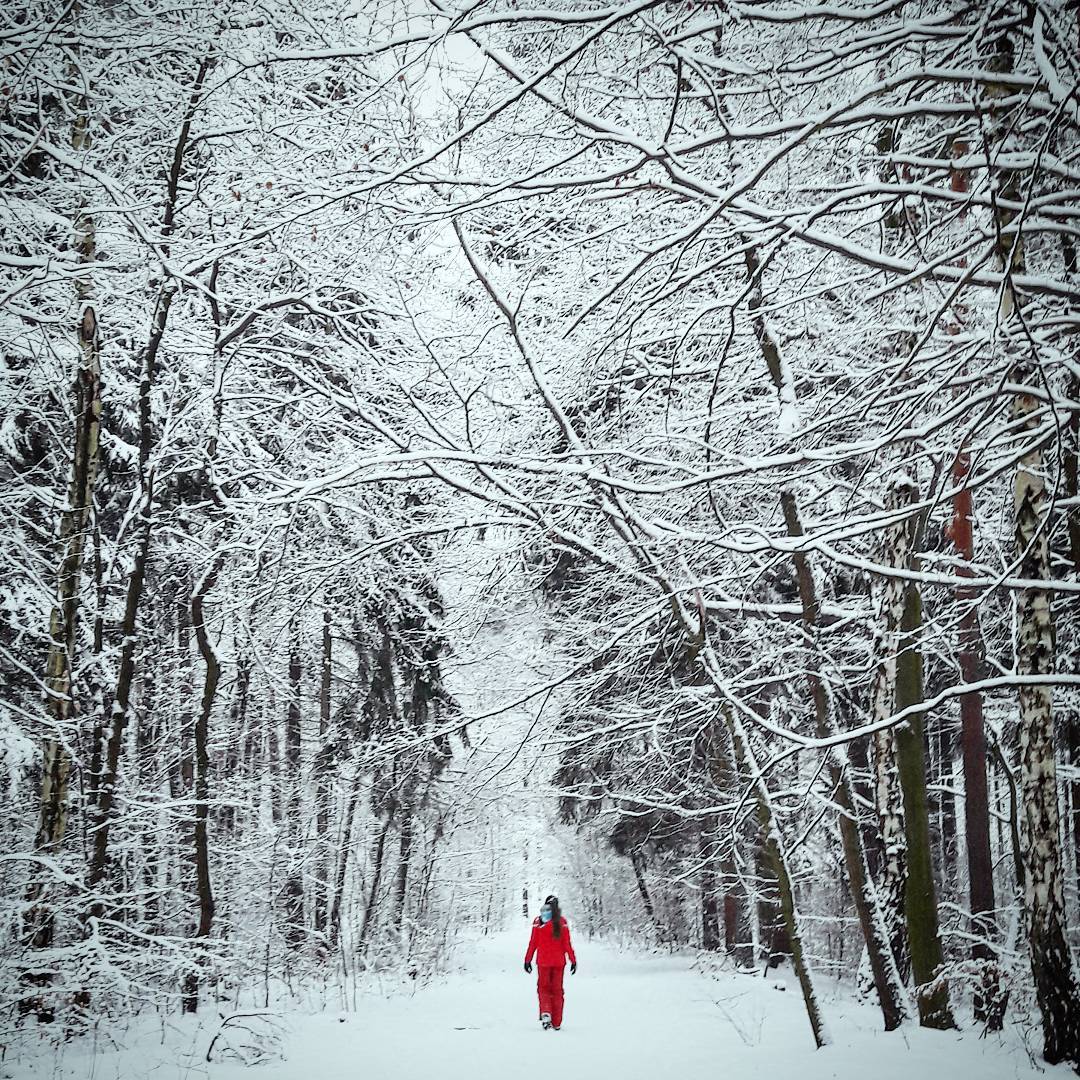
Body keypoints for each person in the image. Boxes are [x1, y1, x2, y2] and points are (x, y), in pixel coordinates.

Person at [523, 894, 577, 1030]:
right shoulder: (562, 922)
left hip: (543, 962)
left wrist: (527, 960)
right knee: (557, 991)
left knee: (543, 988)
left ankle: (546, 1012)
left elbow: (533, 943)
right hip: (559, 962)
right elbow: (567, 944)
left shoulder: (538, 922)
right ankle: (557, 1022)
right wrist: (573, 960)